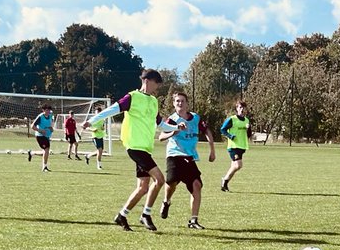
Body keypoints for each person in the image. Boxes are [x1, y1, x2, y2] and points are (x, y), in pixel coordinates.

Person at [84, 69, 166, 231]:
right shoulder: (132, 97)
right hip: (135, 147)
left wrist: (177, 127)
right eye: (156, 84)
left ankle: (122, 215)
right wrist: (92, 120)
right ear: (147, 81)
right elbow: (112, 109)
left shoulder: (154, 101)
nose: (157, 88)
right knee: (160, 180)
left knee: (143, 187)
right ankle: (146, 215)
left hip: (145, 148)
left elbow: (160, 123)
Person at [158, 91, 216, 229]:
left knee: (197, 185)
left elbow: (207, 131)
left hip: (189, 157)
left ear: (187, 103)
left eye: (182, 101)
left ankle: (193, 220)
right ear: (174, 103)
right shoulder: (172, 120)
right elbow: (161, 137)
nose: (180, 103)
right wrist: (174, 131)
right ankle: (166, 201)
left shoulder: (195, 118)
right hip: (174, 155)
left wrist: (212, 150)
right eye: (177, 101)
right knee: (171, 182)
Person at [219, 101, 250, 192]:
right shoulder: (232, 119)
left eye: (244, 108)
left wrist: (248, 129)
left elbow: (248, 134)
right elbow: (223, 129)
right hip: (233, 146)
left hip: (242, 146)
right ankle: (224, 180)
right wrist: (230, 136)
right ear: (237, 109)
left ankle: (225, 184)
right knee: (238, 165)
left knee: (234, 166)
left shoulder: (246, 120)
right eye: (240, 107)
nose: (242, 109)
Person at [29, 104, 55, 172]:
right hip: (40, 136)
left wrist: (51, 128)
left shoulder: (50, 116)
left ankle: (32, 153)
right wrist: (40, 130)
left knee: (46, 152)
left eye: (49, 110)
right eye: (46, 110)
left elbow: (49, 125)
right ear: (43, 110)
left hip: (46, 136)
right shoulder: (40, 117)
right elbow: (32, 126)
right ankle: (44, 167)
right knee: (46, 150)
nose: (48, 111)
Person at [86, 105, 106, 170]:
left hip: (101, 136)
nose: (97, 114)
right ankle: (99, 166)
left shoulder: (102, 119)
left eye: (99, 113)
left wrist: (103, 128)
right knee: (100, 151)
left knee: (100, 151)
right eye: (96, 113)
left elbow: (102, 127)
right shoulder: (92, 119)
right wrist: (92, 130)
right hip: (95, 136)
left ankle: (88, 156)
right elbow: (85, 127)